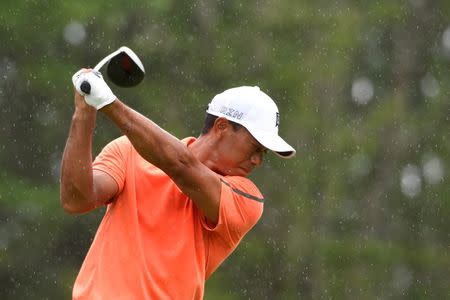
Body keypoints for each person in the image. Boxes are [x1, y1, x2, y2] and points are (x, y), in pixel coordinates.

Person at [60, 69, 295, 299]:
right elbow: (76, 200)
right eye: (255, 146)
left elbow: (180, 166)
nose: (258, 160)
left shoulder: (246, 199)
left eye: (263, 152)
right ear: (221, 126)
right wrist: (84, 113)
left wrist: (108, 103)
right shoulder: (130, 150)